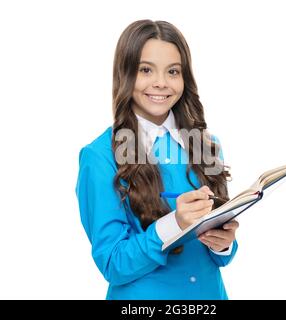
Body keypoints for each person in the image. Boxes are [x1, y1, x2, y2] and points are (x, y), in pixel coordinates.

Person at [75, 19, 240, 300]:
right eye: (146, 70)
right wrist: (174, 224)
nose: (161, 83)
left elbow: (222, 257)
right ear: (125, 74)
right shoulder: (99, 156)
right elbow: (113, 264)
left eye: (173, 71)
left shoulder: (207, 145)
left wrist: (223, 244)